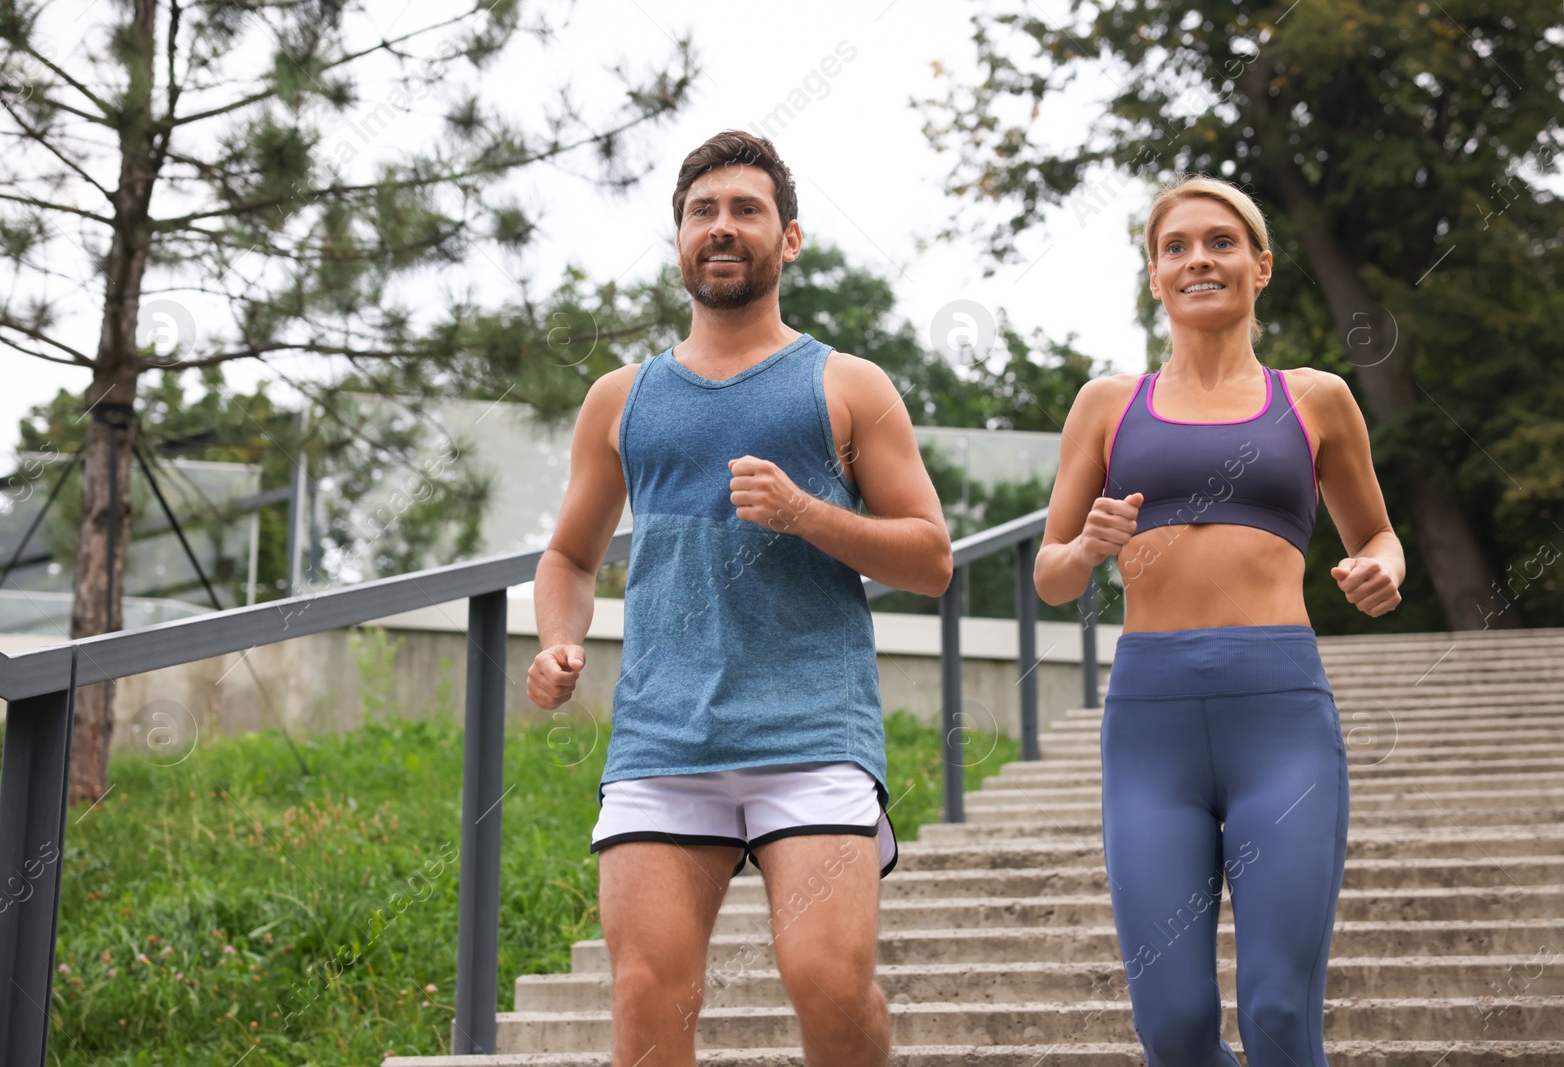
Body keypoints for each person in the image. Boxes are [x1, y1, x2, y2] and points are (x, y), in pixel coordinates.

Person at [526, 129, 952, 1067]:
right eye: (702, 212)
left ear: (788, 239)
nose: (723, 228)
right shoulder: (621, 398)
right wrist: (560, 639)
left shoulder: (846, 384)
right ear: (679, 239)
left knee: (828, 983)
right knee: (645, 994)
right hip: (663, 735)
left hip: (811, 729)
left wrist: (806, 512)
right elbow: (567, 554)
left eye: (746, 210)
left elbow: (930, 557)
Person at [1034, 174, 1404, 1066]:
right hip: (1150, 727)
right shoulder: (1106, 405)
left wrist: (1378, 570)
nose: (1199, 257)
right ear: (1155, 277)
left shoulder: (1315, 399)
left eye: (1221, 241)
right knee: (1176, 1026)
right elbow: (1050, 576)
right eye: (1177, 246)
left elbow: (1381, 533)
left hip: (1280, 721)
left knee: (1280, 1012)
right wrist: (1087, 547)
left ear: (1261, 266)